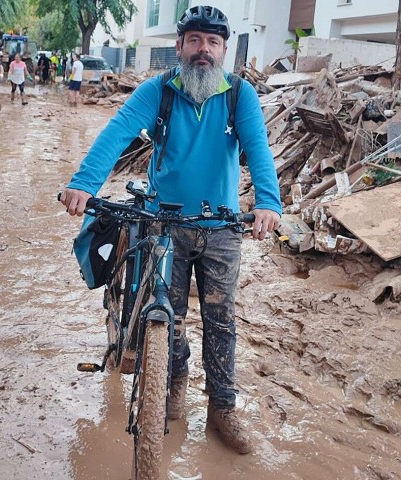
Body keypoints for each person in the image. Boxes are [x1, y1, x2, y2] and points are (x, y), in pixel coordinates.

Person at [60, 5, 281, 455]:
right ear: (179, 46)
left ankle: (223, 410)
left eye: (213, 42)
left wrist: (268, 204)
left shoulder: (240, 96)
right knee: (171, 317)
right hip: (165, 226)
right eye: (195, 40)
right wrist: (84, 183)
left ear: (224, 50)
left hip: (221, 226)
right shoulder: (158, 90)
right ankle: (172, 384)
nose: (204, 50)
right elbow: (118, 131)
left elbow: (258, 150)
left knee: (221, 321)